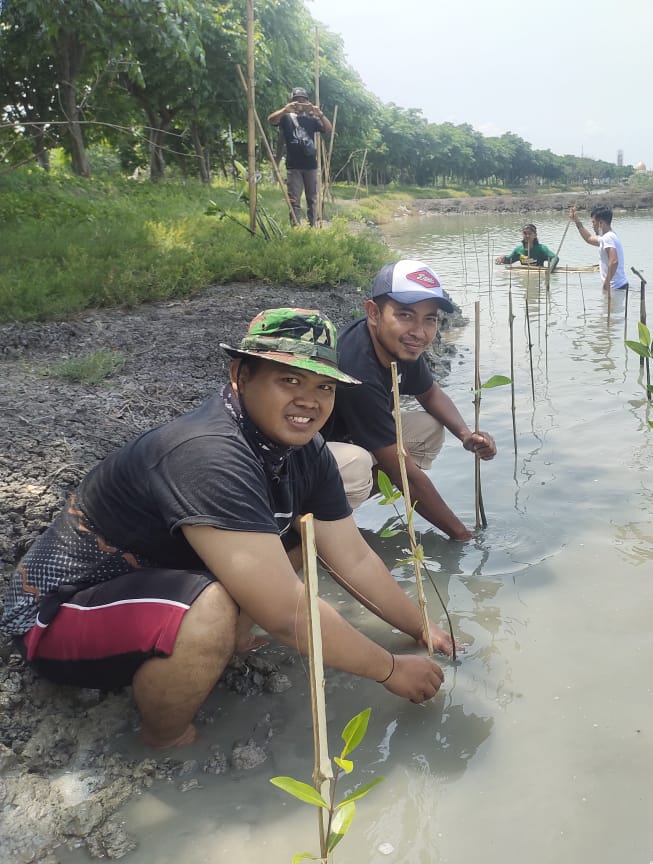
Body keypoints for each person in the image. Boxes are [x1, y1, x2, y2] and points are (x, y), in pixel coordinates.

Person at [0, 309, 454, 748]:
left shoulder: (307, 450)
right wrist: (390, 670)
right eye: (289, 380)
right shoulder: (207, 454)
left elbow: (351, 555)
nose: (309, 401)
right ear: (240, 374)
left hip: (156, 584)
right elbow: (284, 613)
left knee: (302, 537)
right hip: (56, 616)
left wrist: (420, 627)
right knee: (210, 608)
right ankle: (168, 740)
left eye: (324, 387)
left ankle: (221, 639)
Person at [323, 260, 497, 542]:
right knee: (357, 466)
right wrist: (462, 536)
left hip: (347, 437)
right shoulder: (358, 372)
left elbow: (429, 393)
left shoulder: (396, 344)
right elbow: (404, 473)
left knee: (429, 427)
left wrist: (466, 435)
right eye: (405, 315)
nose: (420, 332)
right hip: (298, 464)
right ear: (373, 313)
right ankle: (323, 526)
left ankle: (347, 499)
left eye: (430, 318)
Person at [267, 87, 332, 227]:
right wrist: (285, 109)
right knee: (294, 200)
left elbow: (328, 129)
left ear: (308, 103)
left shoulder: (312, 120)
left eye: (303, 101)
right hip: (293, 166)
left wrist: (319, 114)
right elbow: (271, 120)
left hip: (311, 166)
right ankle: (295, 228)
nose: (300, 103)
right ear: (292, 102)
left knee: (312, 199)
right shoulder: (285, 118)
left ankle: (312, 226)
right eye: (297, 101)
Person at [569, 204, 628, 290]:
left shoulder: (608, 237)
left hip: (615, 288)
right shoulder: (608, 236)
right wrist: (577, 221)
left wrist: (606, 284)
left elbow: (614, 261)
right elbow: (589, 238)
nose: (592, 226)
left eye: (593, 222)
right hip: (618, 287)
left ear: (601, 223)